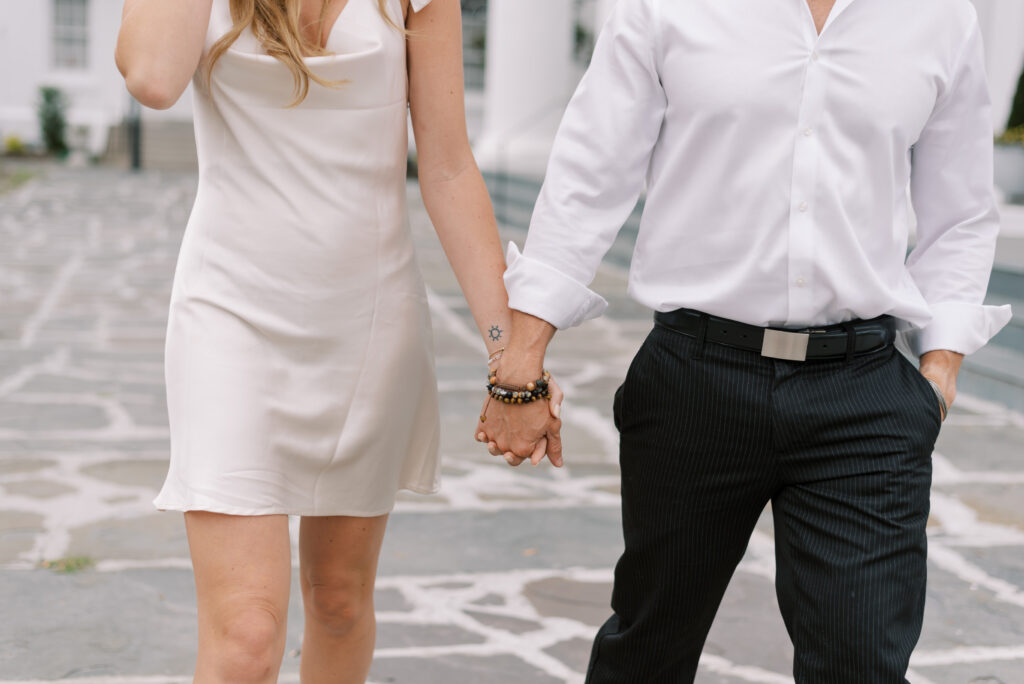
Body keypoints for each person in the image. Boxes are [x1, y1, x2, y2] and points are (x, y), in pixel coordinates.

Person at [476, 0, 1013, 681]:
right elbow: (588, 174)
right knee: (650, 650)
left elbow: (961, 212)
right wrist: (520, 360)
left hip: (863, 393)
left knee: (863, 662)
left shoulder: (937, 16)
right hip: (695, 378)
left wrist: (939, 370)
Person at [116, 1, 561, 681]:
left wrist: (512, 355)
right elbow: (151, 76)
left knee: (338, 601)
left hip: (368, 324)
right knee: (247, 635)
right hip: (230, 317)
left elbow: (446, 168)